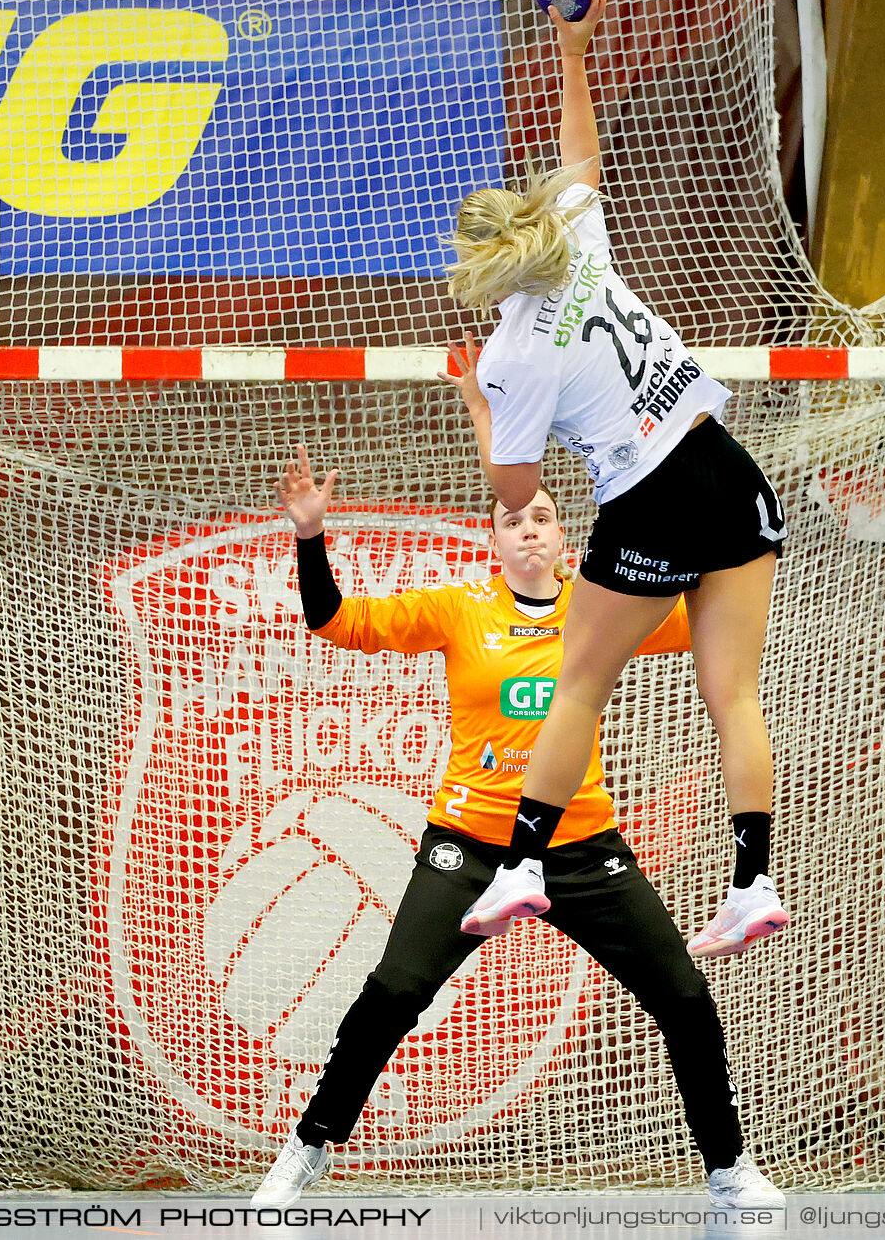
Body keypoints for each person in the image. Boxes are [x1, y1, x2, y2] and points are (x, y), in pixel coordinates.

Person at [251, 444, 783, 1210]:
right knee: (394, 988)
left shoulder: (604, 610)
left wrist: (710, 516)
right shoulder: (457, 609)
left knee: (683, 994)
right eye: (514, 519)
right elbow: (332, 620)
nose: (528, 527)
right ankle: (308, 1146)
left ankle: (728, 1167)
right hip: (468, 846)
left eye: (542, 517)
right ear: (491, 539)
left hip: (577, 846)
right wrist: (308, 534)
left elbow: (711, 606)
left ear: (565, 541)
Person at [441, 0, 790, 960]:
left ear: (483, 270)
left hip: (653, 495)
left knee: (577, 688)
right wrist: (573, 48)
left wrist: (481, 407)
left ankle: (518, 866)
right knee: (736, 695)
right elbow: (580, 154)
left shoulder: (509, 353)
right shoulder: (577, 243)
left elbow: (515, 493)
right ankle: (753, 880)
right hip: (729, 466)